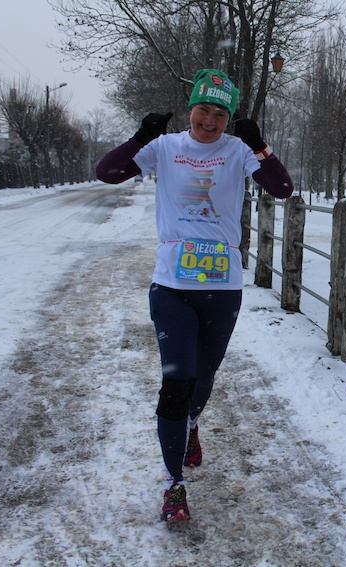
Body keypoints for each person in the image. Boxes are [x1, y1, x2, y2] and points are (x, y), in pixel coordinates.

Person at [95, 68, 294, 524]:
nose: (210, 120)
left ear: (229, 118)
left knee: (203, 380)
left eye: (220, 114)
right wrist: (141, 137)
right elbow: (107, 173)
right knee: (177, 383)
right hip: (172, 286)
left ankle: (190, 426)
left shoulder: (238, 151)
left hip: (221, 288)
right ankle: (173, 483)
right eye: (203, 109)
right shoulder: (165, 148)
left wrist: (260, 146)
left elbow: (282, 188)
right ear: (191, 109)